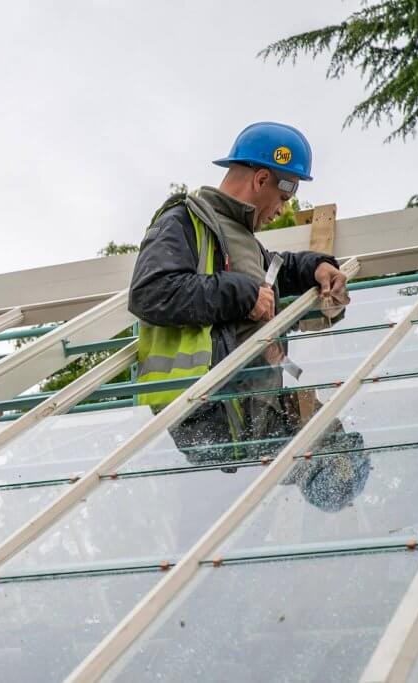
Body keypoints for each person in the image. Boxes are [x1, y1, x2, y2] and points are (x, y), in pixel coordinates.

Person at [128, 122, 364, 496]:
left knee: (347, 473)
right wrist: (242, 294)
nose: (282, 210)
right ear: (262, 180)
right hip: (207, 414)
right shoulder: (184, 222)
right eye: (284, 198)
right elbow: (149, 292)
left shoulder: (246, 243)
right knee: (336, 474)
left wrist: (318, 267)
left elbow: (278, 271)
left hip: (254, 416)